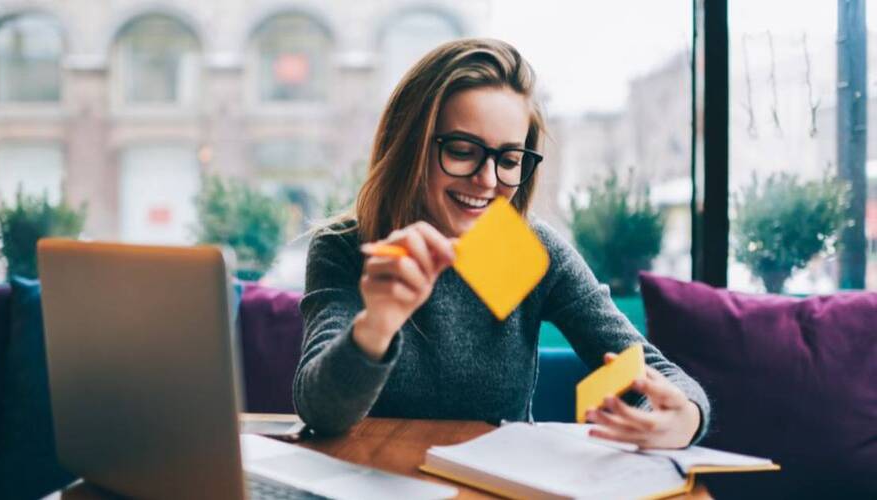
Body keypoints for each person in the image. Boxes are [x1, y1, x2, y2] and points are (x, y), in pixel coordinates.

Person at [293, 38, 709, 449]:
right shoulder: (347, 248)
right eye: (461, 151)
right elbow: (321, 411)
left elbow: (649, 369)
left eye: (509, 160)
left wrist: (683, 417)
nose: (488, 181)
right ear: (408, 147)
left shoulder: (527, 250)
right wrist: (377, 324)